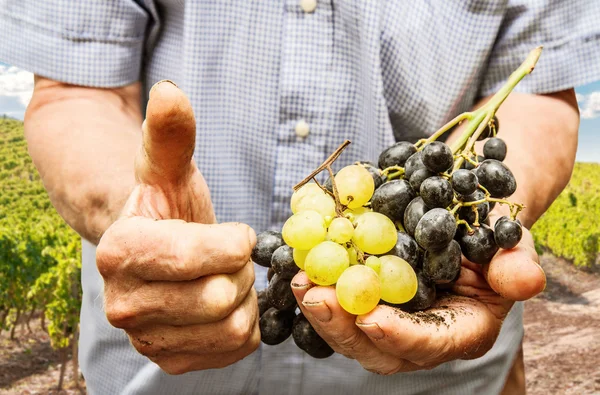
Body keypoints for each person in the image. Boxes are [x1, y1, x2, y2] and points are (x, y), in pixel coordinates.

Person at [1, 1, 599, 394]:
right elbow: (76, 88)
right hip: (161, 373)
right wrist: (135, 209)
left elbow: (542, 95)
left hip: (443, 377)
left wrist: (486, 218)